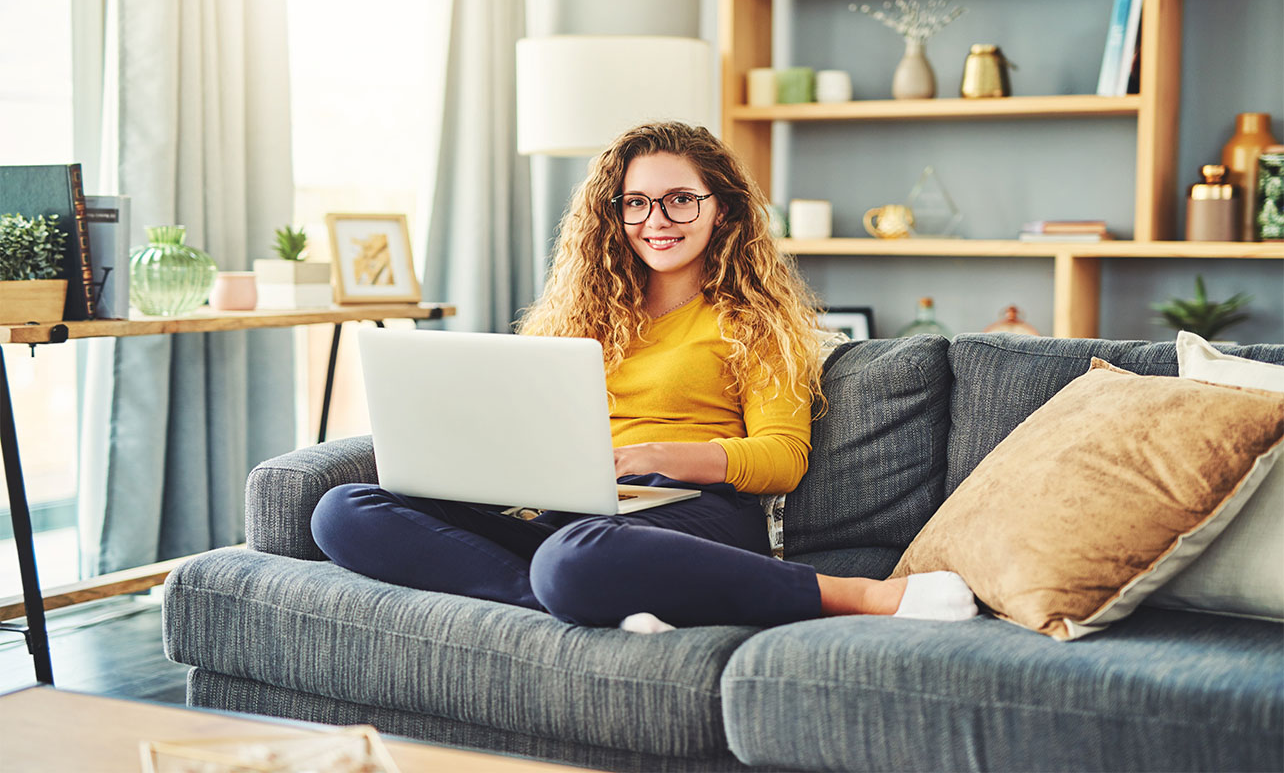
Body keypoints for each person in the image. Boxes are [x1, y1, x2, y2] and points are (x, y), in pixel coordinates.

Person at [311, 121, 976, 631]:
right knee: (344, 510)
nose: (656, 222)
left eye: (680, 200)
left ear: (723, 208)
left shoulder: (754, 322)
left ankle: (857, 596)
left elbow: (782, 458)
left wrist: (658, 456)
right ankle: (560, 597)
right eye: (636, 203)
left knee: (580, 555)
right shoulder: (577, 314)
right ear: (613, 213)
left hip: (686, 511)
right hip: (564, 509)